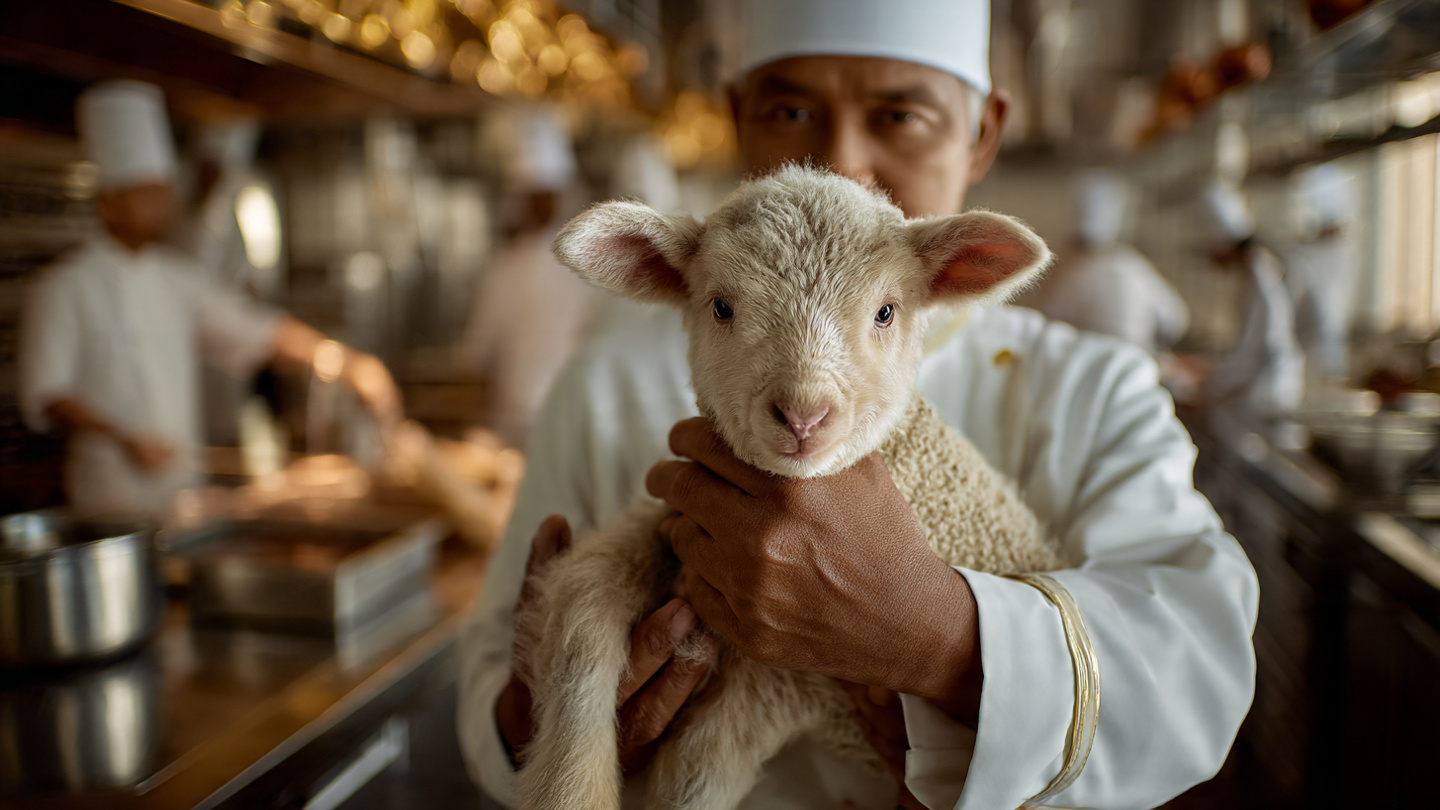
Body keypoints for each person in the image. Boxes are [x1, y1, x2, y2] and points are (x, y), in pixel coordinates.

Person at [458, 2, 1259, 809]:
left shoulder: (1094, 388)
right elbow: (491, 673)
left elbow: (1200, 673)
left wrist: (938, 635)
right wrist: (564, 712)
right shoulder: (601, 383)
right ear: (738, 115)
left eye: (900, 115)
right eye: (792, 109)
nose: (841, 162)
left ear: (983, 131)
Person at [18, 80, 401, 519]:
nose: (161, 205)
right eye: (145, 194)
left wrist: (342, 361)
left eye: (162, 191)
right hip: (106, 504)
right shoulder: (63, 287)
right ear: (108, 202)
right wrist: (123, 437)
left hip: (180, 496)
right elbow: (48, 393)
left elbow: (257, 330)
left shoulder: (176, 279)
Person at [460, 105, 597, 449]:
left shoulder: (583, 264)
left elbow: (476, 359)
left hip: (545, 426)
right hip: (550, 429)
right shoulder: (587, 261)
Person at [1029, 168, 1189, 357]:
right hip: (1139, 362)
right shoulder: (1133, 264)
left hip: (1092, 366)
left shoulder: (1073, 273)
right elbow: (1175, 322)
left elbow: (1047, 324)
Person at [1196, 178, 1306, 437]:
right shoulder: (1256, 271)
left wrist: (1210, 383)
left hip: (1266, 390)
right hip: (1263, 386)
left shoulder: (1260, 279)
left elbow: (1256, 348)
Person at [1281, 163, 1356, 379]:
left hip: (1317, 357)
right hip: (1301, 356)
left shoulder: (1339, 257)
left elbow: (1328, 317)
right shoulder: (1304, 258)